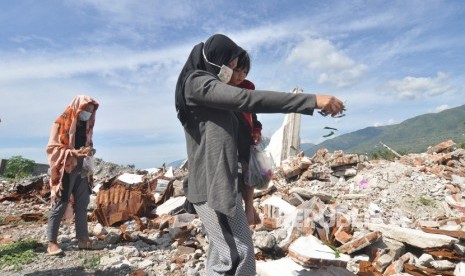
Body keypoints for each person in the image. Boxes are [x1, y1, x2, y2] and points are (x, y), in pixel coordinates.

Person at [175, 34, 344, 275]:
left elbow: (242, 150)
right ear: (215, 60)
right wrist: (312, 101)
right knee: (238, 258)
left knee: (224, 256)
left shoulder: (215, 98)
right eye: (231, 66)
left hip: (222, 185)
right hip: (211, 187)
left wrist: (249, 203)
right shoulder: (197, 83)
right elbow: (247, 99)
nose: (233, 73)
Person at [46, 95, 103, 255]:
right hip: (66, 168)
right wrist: (73, 153)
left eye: (91, 112)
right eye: (86, 110)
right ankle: (52, 242)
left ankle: (83, 239)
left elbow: (86, 144)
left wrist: (88, 151)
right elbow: (52, 148)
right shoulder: (60, 124)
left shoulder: (86, 127)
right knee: (61, 202)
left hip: (82, 169)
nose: (88, 114)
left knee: (82, 204)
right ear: (78, 108)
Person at [228, 52, 262, 227]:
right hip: (230, 140)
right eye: (238, 71)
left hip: (245, 139)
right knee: (237, 177)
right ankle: (246, 211)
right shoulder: (221, 90)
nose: (241, 76)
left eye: (245, 72)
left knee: (249, 174)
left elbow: (254, 117)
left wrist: (256, 130)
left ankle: (249, 209)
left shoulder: (248, 90)